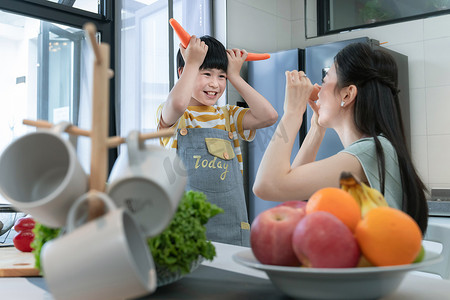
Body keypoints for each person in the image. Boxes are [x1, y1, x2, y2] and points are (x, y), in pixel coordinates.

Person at [253, 42, 428, 234]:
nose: (318, 88)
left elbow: (267, 186)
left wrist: (292, 113)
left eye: (325, 79)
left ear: (347, 93)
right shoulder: (375, 148)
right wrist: (316, 129)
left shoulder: (369, 151)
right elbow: (291, 190)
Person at [157, 35, 278, 246]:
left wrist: (235, 76)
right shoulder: (176, 115)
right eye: (206, 74)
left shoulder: (228, 116)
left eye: (221, 76)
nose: (215, 83)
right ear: (182, 72)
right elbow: (176, 105)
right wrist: (192, 63)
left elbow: (269, 116)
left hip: (231, 227)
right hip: (186, 229)